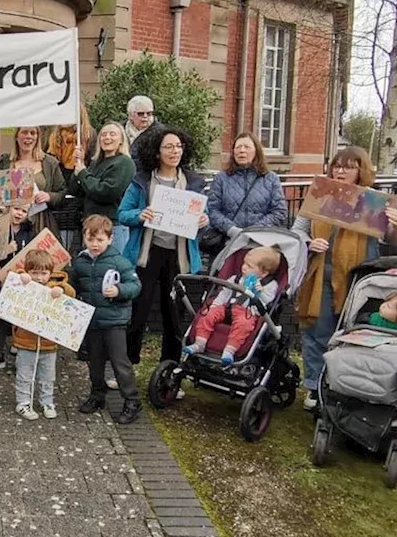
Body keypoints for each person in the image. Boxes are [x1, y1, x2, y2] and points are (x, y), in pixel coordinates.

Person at [293, 146, 397, 411]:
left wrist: (396, 224)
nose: (340, 171)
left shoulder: (372, 201)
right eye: (337, 165)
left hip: (358, 281)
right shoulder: (319, 193)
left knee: (351, 335)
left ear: (361, 171)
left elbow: (393, 240)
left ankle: (343, 388)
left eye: (348, 166)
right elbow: (297, 231)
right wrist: (309, 241)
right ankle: (313, 387)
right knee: (316, 332)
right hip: (320, 276)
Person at [119, 125, 210, 366]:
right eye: (168, 146)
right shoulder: (141, 181)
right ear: (157, 152)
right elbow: (122, 214)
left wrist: (204, 220)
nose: (174, 151)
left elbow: (204, 217)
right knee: (139, 310)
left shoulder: (193, 182)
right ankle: (129, 362)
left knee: (174, 315)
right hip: (146, 254)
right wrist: (141, 214)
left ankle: (169, 367)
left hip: (179, 257)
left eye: (178, 146)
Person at [70, 215, 141, 422]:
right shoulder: (80, 261)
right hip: (91, 320)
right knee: (95, 361)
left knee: (120, 362)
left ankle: (132, 401)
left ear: (110, 239)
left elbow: (135, 286)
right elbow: (73, 286)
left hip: (114, 321)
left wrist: (119, 290)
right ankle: (97, 395)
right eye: (91, 239)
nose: (95, 244)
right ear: (84, 238)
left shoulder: (120, 261)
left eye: (100, 240)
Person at [183, 246, 282, 366]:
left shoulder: (269, 285)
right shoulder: (236, 278)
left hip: (248, 312)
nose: (244, 267)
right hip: (227, 307)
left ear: (264, 273)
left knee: (244, 324)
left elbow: (267, 303)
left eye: (249, 266)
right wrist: (215, 305)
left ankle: (230, 350)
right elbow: (224, 292)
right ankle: (199, 343)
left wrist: (260, 293)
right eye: (244, 263)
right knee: (208, 314)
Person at [9, 249, 75, 420]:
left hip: (49, 343)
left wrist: (60, 290)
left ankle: (47, 402)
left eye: (43, 273)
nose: (39, 277)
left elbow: (70, 293)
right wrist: (22, 276)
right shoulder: (25, 283)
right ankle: (23, 403)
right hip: (25, 341)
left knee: (47, 377)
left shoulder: (55, 285)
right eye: (34, 273)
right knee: (24, 375)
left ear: (50, 273)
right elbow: (13, 278)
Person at [205, 133, 287, 252]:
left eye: (246, 147)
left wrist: (254, 231)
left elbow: (279, 212)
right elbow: (212, 210)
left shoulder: (271, 178)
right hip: (229, 243)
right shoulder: (221, 178)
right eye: (238, 147)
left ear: (256, 151)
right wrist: (231, 229)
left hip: (261, 245)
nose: (241, 151)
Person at [0, 204, 38, 371]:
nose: (19, 213)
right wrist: (4, 252)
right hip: (0, 279)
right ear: (8, 208)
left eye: (23, 211)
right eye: (16, 209)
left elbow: (34, 256)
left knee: (20, 318)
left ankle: (21, 355)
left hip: (21, 281)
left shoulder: (30, 232)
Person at [0, 126, 67, 235]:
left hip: (40, 224)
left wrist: (49, 196)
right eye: (24, 132)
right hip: (9, 225)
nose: (28, 136)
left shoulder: (50, 163)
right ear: (16, 136)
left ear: (38, 137)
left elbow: (62, 191)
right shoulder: (4, 162)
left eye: (33, 133)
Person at [72, 122, 135, 246]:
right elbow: (76, 191)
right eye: (104, 135)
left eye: (113, 134)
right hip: (90, 225)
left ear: (121, 140)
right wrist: (78, 168)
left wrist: (83, 174)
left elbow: (107, 192)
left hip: (112, 227)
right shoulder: (95, 163)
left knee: (112, 264)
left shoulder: (124, 163)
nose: (107, 138)